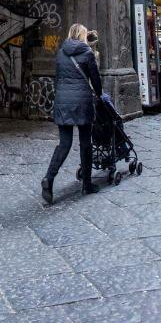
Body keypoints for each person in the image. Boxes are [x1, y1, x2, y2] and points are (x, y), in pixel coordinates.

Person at [41, 23, 102, 204]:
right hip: (82, 102)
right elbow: (95, 78)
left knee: (64, 144)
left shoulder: (60, 53)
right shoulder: (87, 53)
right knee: (85, 143)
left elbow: (58, 78)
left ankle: (49, 178)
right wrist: (99, 95)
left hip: (63, 102)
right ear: (83, 36)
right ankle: (87, 183)